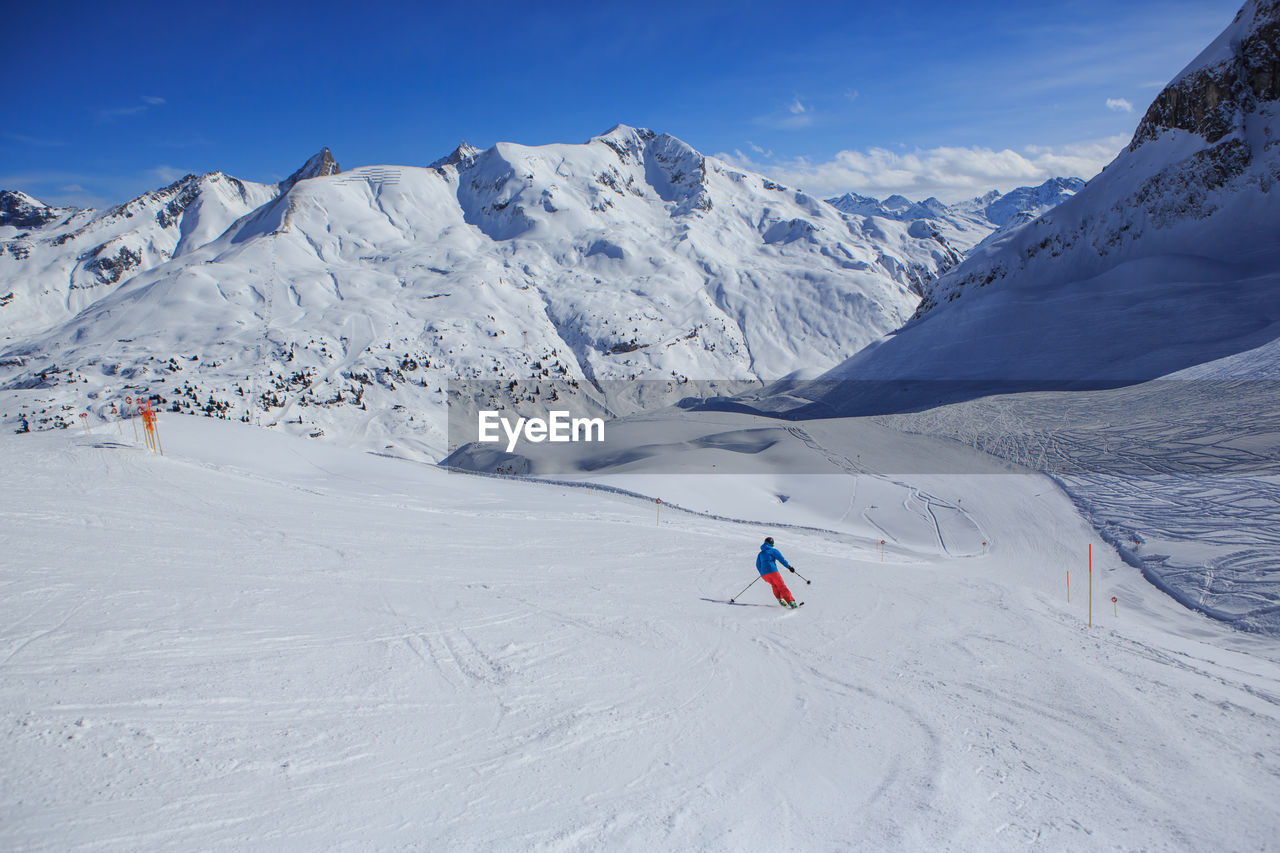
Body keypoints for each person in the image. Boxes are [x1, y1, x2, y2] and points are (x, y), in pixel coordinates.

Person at [756, 536, 800, 608]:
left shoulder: (760, 554)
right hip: (773, 571)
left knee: (774, 585)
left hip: (764, 575)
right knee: (781, 585)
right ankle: (791, 602)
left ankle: (780, 599)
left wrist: (762, 572)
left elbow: (758, 565)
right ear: (771, 543)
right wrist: (789, 567)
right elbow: (781, 559)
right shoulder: (773, 550)